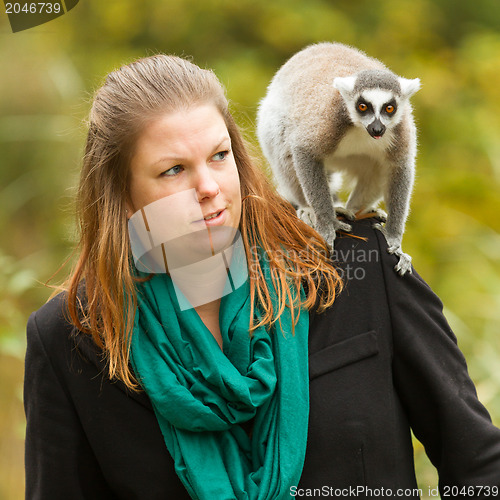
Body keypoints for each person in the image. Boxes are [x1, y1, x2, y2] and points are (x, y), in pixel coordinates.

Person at [24, 54, 500, 500]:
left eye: (218, 156)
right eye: (173, 170)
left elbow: (479, 465)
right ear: (122, 195)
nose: (209, 188)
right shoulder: (73, 337)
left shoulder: (351, 261)